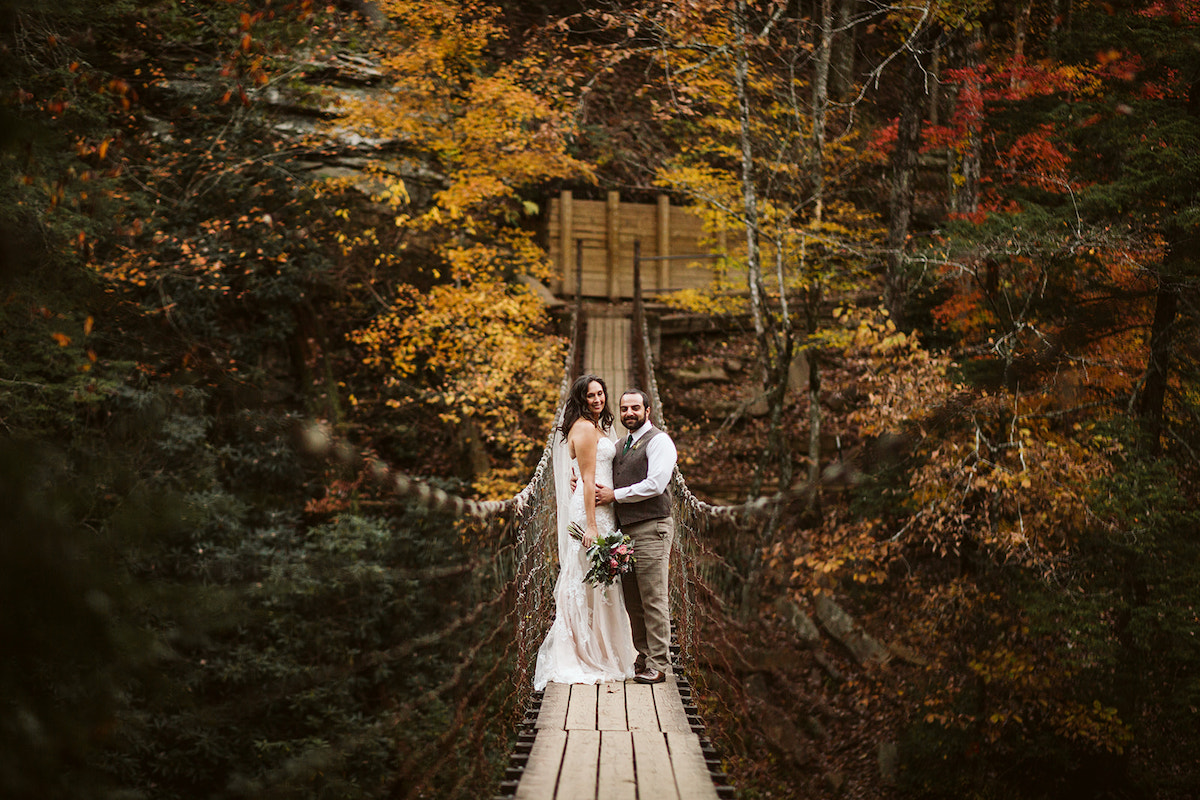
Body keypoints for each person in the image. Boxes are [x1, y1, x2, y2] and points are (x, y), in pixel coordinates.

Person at [532, 375, 637, 691]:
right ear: (580, 398)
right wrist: (592, 525)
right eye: (590, 395)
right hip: (593, 511)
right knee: (587, 578)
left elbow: (589, 473)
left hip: (603, 508)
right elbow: (589, 480)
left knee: (596, 579)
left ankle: (600, 648)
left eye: (601, 393)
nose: (597, 400)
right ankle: (584, 652)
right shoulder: (586, 428)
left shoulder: (598, 427)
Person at [595, 388, 677, 685]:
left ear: (647, 410)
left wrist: (614, 496)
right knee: (633, 599)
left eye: (635, 408)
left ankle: (659, 662)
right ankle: (644, 655)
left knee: (653, 597)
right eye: (624, 408)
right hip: (625, 533)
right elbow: (604, 477)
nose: (629, 413)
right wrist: (581, 480)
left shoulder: (659, 442)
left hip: (652, 527)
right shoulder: (620, 445)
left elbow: (655, 484)